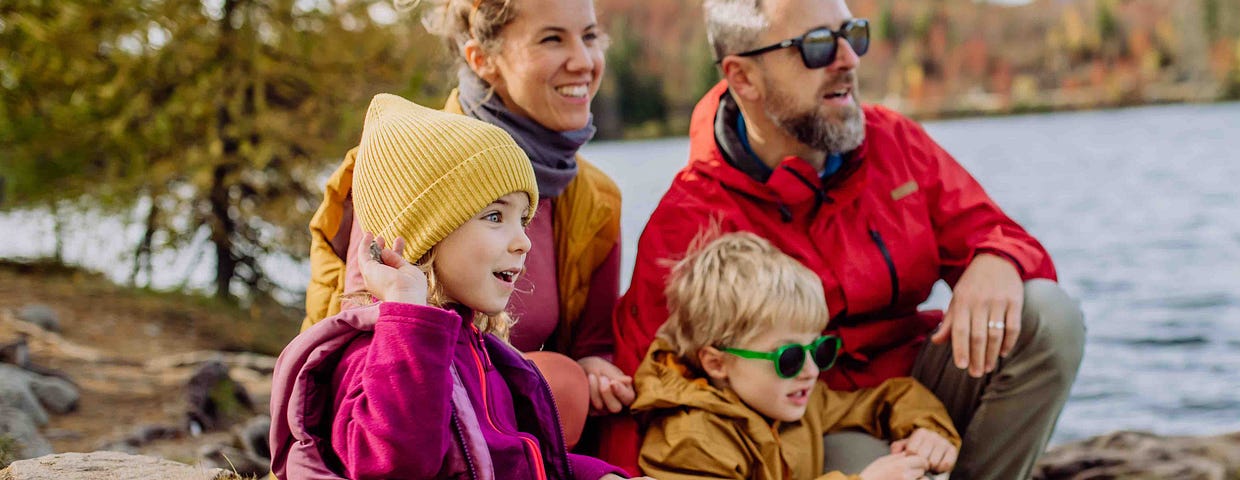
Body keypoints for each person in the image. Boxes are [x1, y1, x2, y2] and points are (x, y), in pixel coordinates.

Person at [607, 0, 1088, 477]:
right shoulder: (690, 219)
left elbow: (1000, 234)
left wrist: (995, 258)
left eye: (852, 35)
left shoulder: (893, 141)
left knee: (1046, 315)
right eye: (816, 46)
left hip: (917, 386)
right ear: (743, 78)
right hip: (806, 421)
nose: (848, 59)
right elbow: (649, 381)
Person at [301, 0, 635, 441]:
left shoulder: (597, 197)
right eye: (552, 39)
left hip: (520, 433)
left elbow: (591, 346)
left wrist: (594, 370)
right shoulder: (409, 168)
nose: (585, 61)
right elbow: (355, 353)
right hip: (407, 421)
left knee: (567, 384)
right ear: (483, 60)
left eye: (590, 36)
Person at [270, 94, 640, 480]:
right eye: (495, 216)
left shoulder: (475, 349)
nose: (523, 241)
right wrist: (407, 312)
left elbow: (512, 460)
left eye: (523, 220)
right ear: (427, 234)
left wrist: (599, 476)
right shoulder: (374, 355)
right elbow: (397, 464)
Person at [631, 232, 959, 480]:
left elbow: (887, 398)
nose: (811, 370)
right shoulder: (691, 441)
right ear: (717, 363)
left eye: (819, 349)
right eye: (788, 358)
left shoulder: (796, 400)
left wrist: (928, 430)